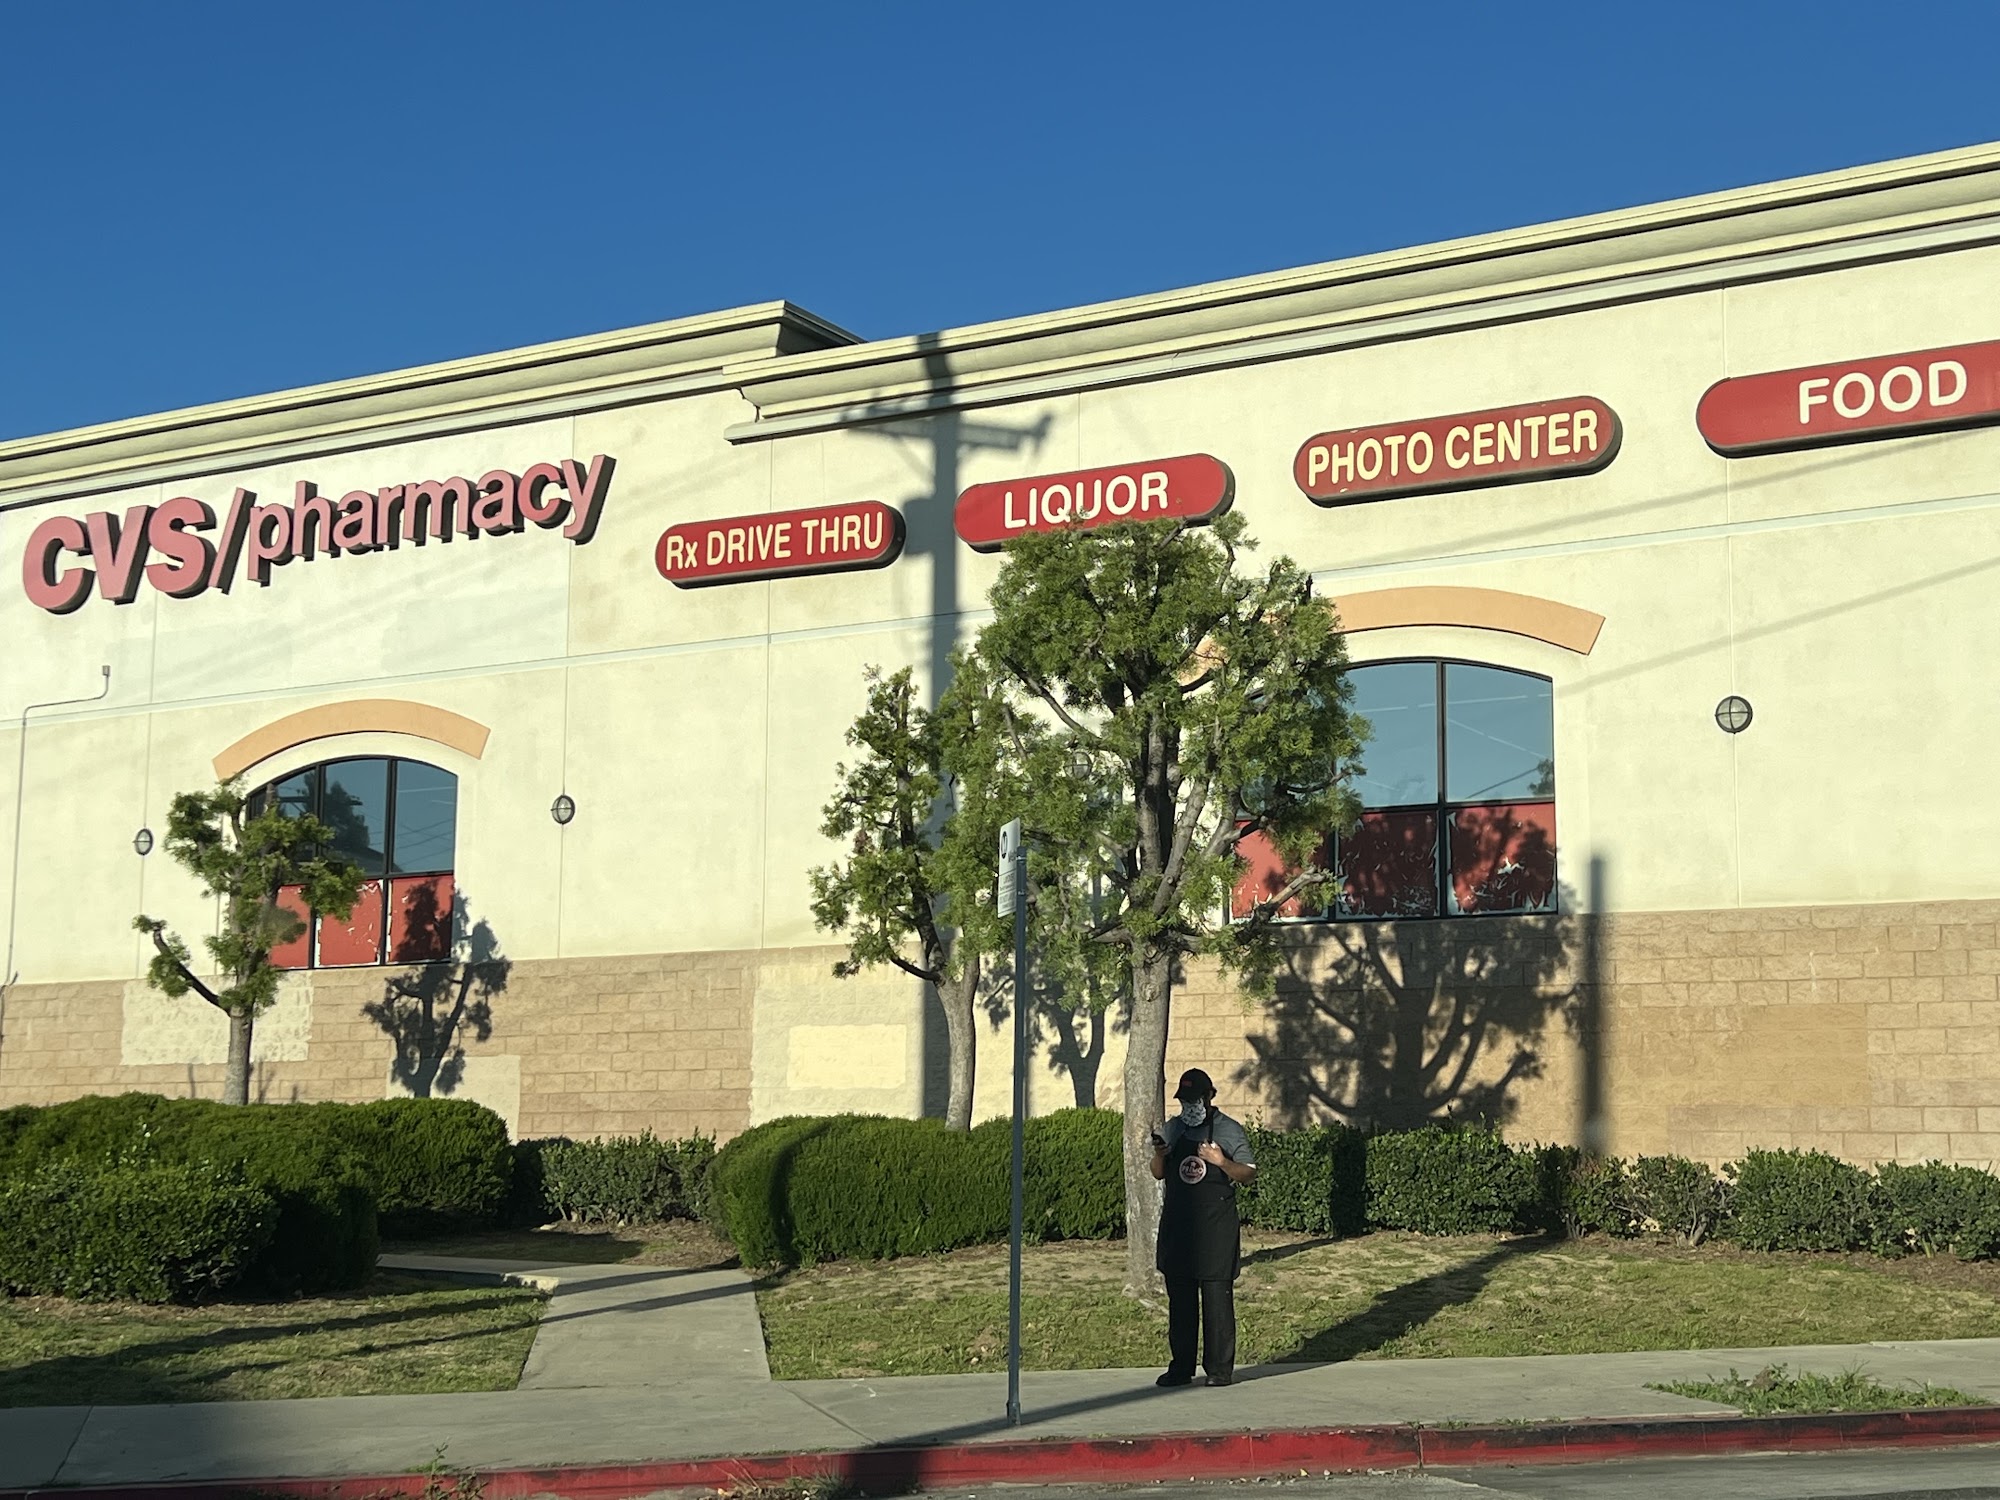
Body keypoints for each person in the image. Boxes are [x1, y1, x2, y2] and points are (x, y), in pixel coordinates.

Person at [1150, 1067, 1257, 1387]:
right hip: (1179, 1225)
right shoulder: (1174, 1128)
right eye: (1184, 1101)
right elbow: (1157, 1173)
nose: (1189, 1106)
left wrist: (1221, 1161)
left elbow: (1249, 1174)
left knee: (1217, 1301)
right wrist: (1160, 1154)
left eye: (1195, 1100)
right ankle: (1180, 1368)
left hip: (1215, 1228)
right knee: (1180, 1303)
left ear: (1210, 1096)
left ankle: (1219, 1370)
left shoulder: (1229, 1130)